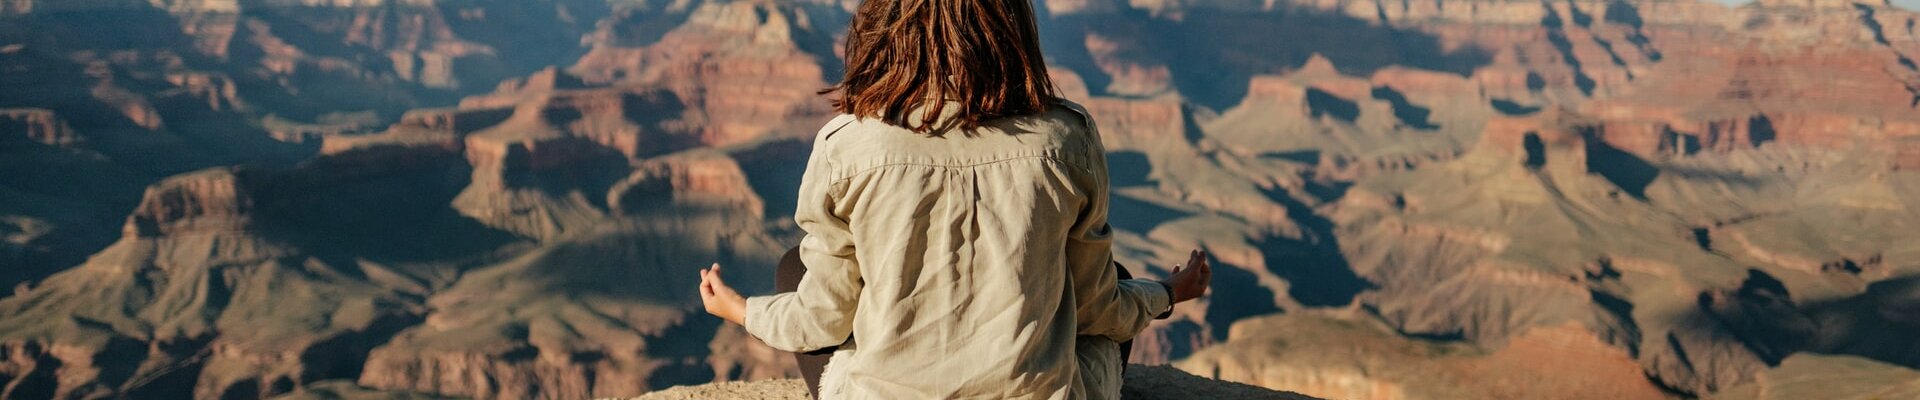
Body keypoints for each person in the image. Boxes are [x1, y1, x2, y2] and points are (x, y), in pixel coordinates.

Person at [694, 0, 1211, 396]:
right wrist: (1166, 293)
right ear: (1011, 31)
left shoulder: (847, 143)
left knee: (794, 270)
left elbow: (821, 320)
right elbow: (1101, 313)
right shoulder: (1065, 137)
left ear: (885, 30)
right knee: (1113, 279)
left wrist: (742, 312)